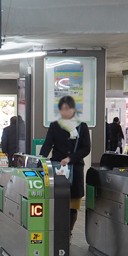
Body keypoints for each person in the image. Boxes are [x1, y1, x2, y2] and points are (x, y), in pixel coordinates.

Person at [40, 95, 91, 237]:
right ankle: (58, 230)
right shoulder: (55, 125)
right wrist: (40, 160)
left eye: (67, 109)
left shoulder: (82, 127)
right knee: (58, 202)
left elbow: (86, 148)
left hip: (75, 169)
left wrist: (70, 158)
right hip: (58, 169)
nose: (64, 112)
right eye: (62, 109)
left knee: (73, 205)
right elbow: (47, 145)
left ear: (73, 109)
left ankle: (68, 232)